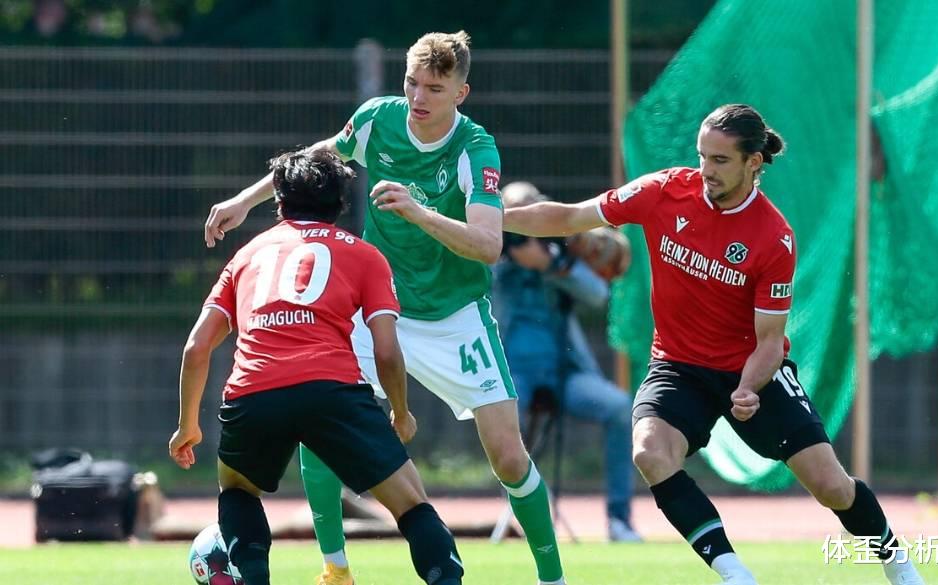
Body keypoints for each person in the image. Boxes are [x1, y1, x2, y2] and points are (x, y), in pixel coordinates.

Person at [503, 104, 925, 585]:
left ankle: (897, 562)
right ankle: (735, 574)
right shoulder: (663, 190)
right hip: (678, 366)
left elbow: (770, 342)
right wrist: (494, 219)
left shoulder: (774, 238)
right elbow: (571, 216)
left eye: (721, 160)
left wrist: (748, 386)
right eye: (703, 156)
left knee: (833, 487)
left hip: (749, 371)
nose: (706, 169)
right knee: (650, 452)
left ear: (753, 162)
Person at [203, 31, 566, 585]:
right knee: (320, 417)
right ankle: (336, 568)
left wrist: (419, 212)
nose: (418, 97)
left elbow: (488, 245)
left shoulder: (475, 149)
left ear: (461, 93)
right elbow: (317, 156)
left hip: (455, 317)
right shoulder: (378, 119)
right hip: (381, 311)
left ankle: (552, 578)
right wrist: (243, 201)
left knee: (510, 458)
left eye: (434, 89)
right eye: (412, 83)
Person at [169, 149, 464, 585]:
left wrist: (187, 425)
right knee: (412, 504)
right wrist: (400, 412)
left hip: (254, 393)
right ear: (340, 203)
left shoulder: (247, 256)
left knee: (238, 492)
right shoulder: (366, 257)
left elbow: (197, 348)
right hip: (333, 391)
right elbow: (386, 351)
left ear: (279, 202)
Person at [493, 181, 641, 543]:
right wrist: (505, 253)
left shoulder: (558, 253)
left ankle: (619, 521)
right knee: (499, 422)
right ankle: (528, 516)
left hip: (565, 373)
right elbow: (474, 281)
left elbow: (598, 294)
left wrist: (552, 263)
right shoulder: (491, 253)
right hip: (510, 375)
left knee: (619, 408)